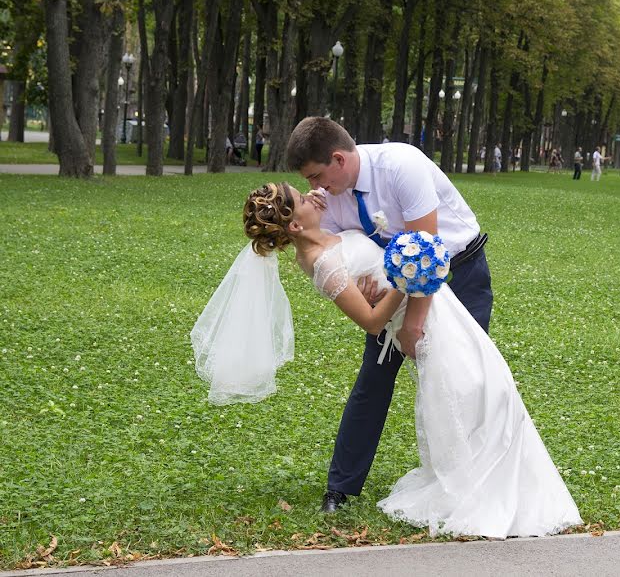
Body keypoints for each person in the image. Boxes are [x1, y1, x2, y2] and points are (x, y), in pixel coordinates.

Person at [191, 181, 583, 539]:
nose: (312, 195)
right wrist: (405, 278)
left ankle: (499, 475)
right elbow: (374, 322)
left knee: (489, 383)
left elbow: (354, 241)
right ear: (294, 227)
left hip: (441, 310)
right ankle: (477, 483)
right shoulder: (322, 265)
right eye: (301, 197)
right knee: (471, 389)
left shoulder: (327, 235)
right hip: (422, 328)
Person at [284, 117, 494, 515]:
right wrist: (365, 283)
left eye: (316, 176)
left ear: (338, 159)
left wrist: (414, 324)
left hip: (458, 272)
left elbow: (425, 251)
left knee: (464, 377)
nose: (315, 188)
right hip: (392, 293)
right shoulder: (330, 197)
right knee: (373, 379)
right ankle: (340, 487)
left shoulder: (401, 166)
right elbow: (345, 254)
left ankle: (471, 475)